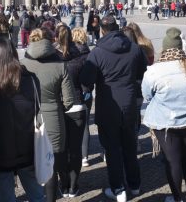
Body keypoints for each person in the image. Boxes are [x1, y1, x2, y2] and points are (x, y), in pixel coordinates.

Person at [80, 15, 147, 201]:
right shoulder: (134, 49)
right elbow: (142, 72)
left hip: (107, 105)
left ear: (102, 30)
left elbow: (86, 80)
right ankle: (134, 184)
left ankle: (118, 189)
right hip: (129, 103)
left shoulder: (97, 53)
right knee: (130, 146)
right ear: (117, 27)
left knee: (112, 149)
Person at [0, 38, 45, 201]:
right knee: (36, 194)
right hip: (27, 144)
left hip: (0, 148)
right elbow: (37, 106)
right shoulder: (31, 79)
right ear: (13, 53)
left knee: (5, 194)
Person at [142, 27, 186, 202]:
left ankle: (177, 197)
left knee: (173, 160)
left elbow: (148, 95)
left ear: (164, 48)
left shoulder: (154, 70)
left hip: (166, 122)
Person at [20, 28, 74, 202]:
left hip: (27, 120)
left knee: (29, 163)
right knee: (50, 166)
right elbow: (69, 101)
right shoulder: (60, 65)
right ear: (51, 41)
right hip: (53, 119)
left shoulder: (22, 64)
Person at [53, 25, 89, 197]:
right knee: (75, 149)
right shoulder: (82, 55)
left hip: (57, 106)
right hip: (77, 104)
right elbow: (87, 83)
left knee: (60, 149)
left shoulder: (51, 57)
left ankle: (64, 184)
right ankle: (74, 186)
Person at [70, 28, 92, 168]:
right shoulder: (89, 54)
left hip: (72, 92)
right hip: (86, 92)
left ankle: (73, 153)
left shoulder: (70, 54)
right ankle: (84, 157)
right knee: (85, 125)